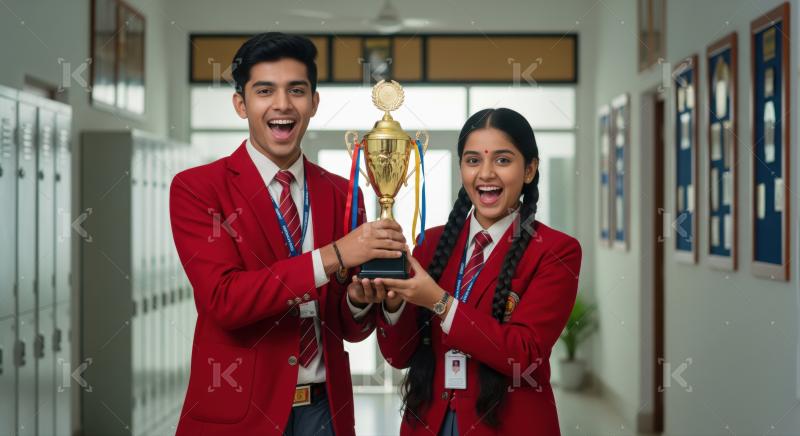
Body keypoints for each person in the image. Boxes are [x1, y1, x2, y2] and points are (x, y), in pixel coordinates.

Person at [170, 32, 404, 436]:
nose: (282, 104)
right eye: (265, 91)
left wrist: (358, 301)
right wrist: (335, 254)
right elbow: (225, 301)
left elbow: (348, 328)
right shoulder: (198, 188)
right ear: (241, 104)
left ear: (313, 103)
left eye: (296, 90)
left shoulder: (341, 193)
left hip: (325, 410)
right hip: (241, 410)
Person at [354, 108, 582, 435]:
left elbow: (525, 357)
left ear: (529, 169)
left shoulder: (555, 250)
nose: (486, 173)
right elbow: (400, 355)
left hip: (508, 425)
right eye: (473, 160)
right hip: (429, 420)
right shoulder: (431, 243)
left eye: (502, 160)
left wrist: (439, 302)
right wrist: (393, 303)